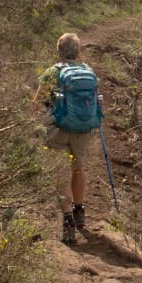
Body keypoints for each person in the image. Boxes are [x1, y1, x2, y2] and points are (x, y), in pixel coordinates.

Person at [35, 31, 102, 245]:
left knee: (60, 170)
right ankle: (79, 210)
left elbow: (37, 101)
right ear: (78, 51)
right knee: (78, 169)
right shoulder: (88, 71)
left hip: (58, 129)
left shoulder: (52, 72)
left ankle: (67, 219)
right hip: (83, 129)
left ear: (58, 51)